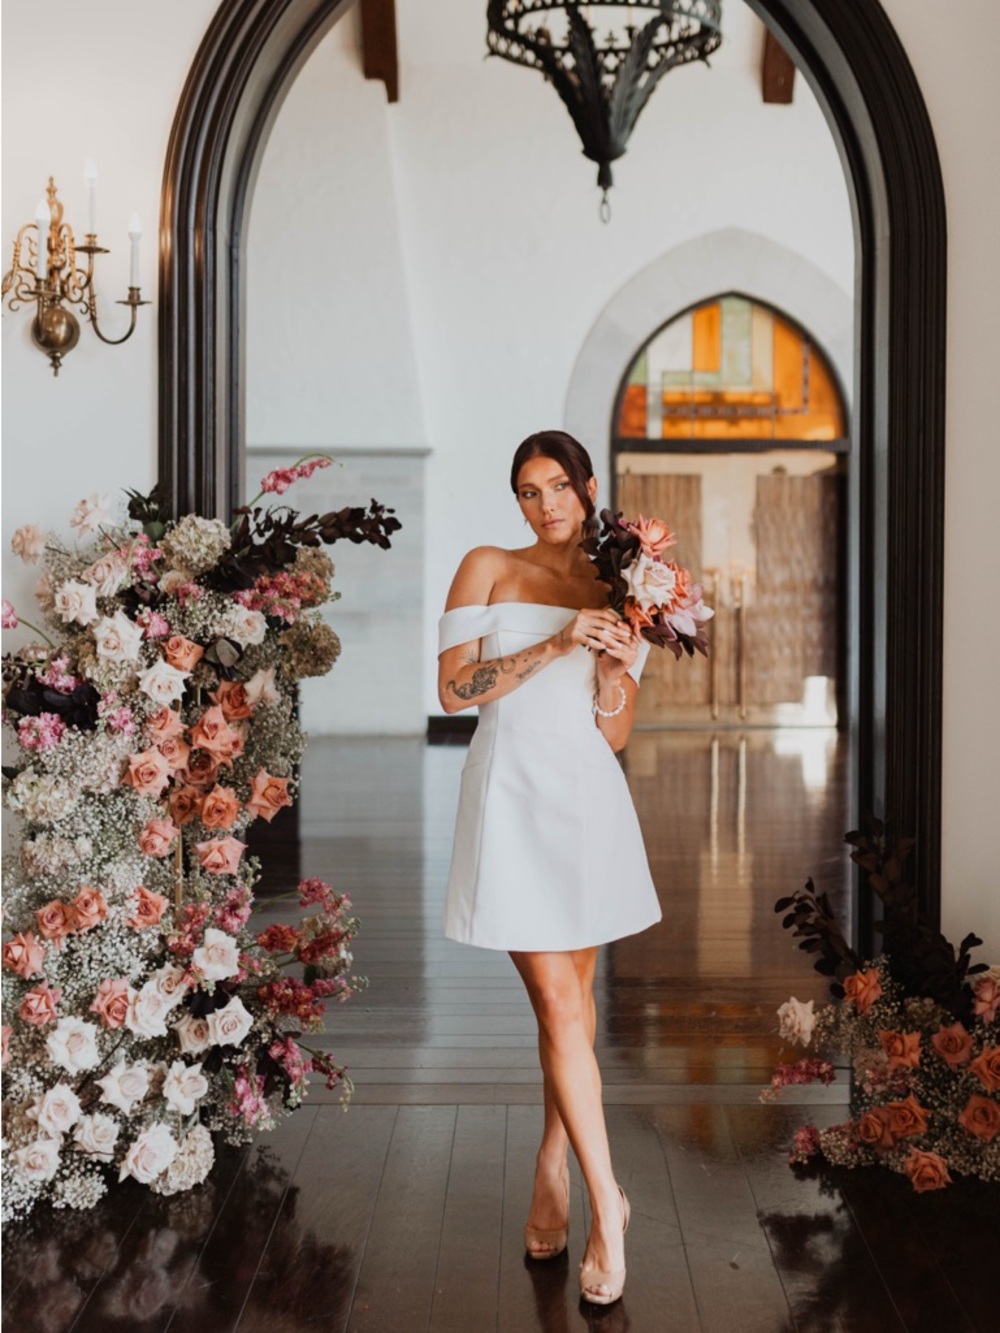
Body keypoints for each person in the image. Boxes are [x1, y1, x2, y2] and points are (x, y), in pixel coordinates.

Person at [436, 430, 662, 1306]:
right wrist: (559, 642)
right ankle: (612, 1204)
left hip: (587, 803)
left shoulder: (624, 586)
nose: (546, 505)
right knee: (559, 1003)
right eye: (529, 491)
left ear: (588, 486)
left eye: (558, 486)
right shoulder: (488, 565)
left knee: (571, 1007)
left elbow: (613, 731)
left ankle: (552, 1164)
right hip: (510, 799)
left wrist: (611, 661)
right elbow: (455, 690)